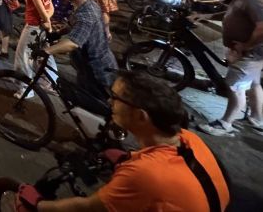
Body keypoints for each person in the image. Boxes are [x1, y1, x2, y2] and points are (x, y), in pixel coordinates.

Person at [18, 70, 230, 212]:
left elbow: (85, 206)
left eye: (116, 98)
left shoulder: (144, 174)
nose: (110, 102)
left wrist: (38, 204)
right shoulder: (189, 139)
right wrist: (128, 157)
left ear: (141, 116)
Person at [198, 0, 263, 136]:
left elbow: (261, 27)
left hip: (249, 54)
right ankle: (256, 118)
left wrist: (245, 47)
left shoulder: (253, 1)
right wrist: (206, 17)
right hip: (251, 54)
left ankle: (226, 124)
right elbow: (233, 14)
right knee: (254, 84)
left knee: (236, 87)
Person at [44, 0, 118, 109]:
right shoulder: (87, 5)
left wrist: (46, 51)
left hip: (96, 70)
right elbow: (74, 25)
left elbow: (73, 43)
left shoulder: (86, 15)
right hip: (89, 66)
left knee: (99, 108)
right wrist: (57, 34)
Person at [14, 0, 56, 91]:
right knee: (46, 55)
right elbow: (50, 8)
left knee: (23, 56)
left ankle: (24, 88)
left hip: (33, 28)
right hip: (41, 28)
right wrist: (47, 22)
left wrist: (46, 22)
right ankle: (51, 82)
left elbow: (42, 11)